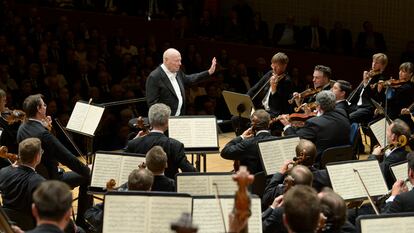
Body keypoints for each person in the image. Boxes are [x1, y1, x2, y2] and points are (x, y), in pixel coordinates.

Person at [16, 94, 91, 227]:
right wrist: (87, 170)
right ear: (39, 109)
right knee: (87, 177)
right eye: (44, 105)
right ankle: (83, 223)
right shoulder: (42, 133)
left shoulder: (22, 128)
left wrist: (46, 128)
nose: (45, 107)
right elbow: (67, 157)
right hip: (50, 180)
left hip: (33, 177)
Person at [125, 103, 196, 179]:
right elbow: (188, 171)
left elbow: (124, 163)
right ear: (167, 122)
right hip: (168, 188)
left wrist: (135, 140)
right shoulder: (175, 145)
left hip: (142, 187)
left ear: (150, 120)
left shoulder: (134, 143)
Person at [280, 91, 350, 164]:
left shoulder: (314, 123)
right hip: (345, 156)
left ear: (318, 106)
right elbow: (327, 122)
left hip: (321, 160)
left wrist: (287, 126)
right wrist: (311, 115)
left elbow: (296, 141)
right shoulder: (342, 112)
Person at [233, 52, 293, 135]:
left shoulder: (287, 81)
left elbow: (276, 106)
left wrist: (273, 88)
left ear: (284, 66)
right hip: (261, 109)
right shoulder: (270, 74)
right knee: (236, 118)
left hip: (274, 113)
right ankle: (243, 140)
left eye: (277, 66)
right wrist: (244, 100)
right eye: (273, 65)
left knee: (255, 121)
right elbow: (254, 89)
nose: (274, 69)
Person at [261, 139, 331, 209]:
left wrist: (280, 173)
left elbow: (267, 197)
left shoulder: (291, 182)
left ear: (297, 156)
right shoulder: (326, 175)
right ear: (315, 155)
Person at [145, 48, 216, 116]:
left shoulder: (177, 71)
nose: (180, 63)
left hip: (179, 119)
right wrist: (164, 122)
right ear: (166, 60)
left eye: (180, 60)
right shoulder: (154, 77)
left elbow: (190, 79)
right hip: (164, 123)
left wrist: (208, 72)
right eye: (176, 61)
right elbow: (152, 105)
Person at [84, 168, 154, 233]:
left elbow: (89, 215)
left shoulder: (116, 205)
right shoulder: (155, 208)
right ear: (149, 189)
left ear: (129, 186)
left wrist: (108, 200)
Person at [0, 138, 45, 230]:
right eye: (41, 152)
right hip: (30, 227)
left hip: (8, 223)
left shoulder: (3, 171)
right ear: (37, 157)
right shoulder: (39, 181)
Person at [221, 109, 277, 174]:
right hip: (274, 180)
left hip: (253, 182)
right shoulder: (278, 140)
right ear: (268, 125)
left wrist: (241, 137)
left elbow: (225, 152)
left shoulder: (247, 144)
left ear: (252, 126)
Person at [369, 119, 411, 189]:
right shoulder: (407, 151)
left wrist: (374, 156)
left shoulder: (393, 158)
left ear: (393, 136)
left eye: (387, 131)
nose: (386, 133)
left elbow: (374, 173)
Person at [348, 53, 388, 124]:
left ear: (383, 65)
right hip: (356, 105)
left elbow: (372, 97)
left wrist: (366, 83)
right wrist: (347, 101)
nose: (374, 64)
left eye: (377, 63)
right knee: (338, 112)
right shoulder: (370, 74)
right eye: (373, 62)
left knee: (348, 118)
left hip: (367, 108)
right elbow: (357, 91)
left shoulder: (381, 80)